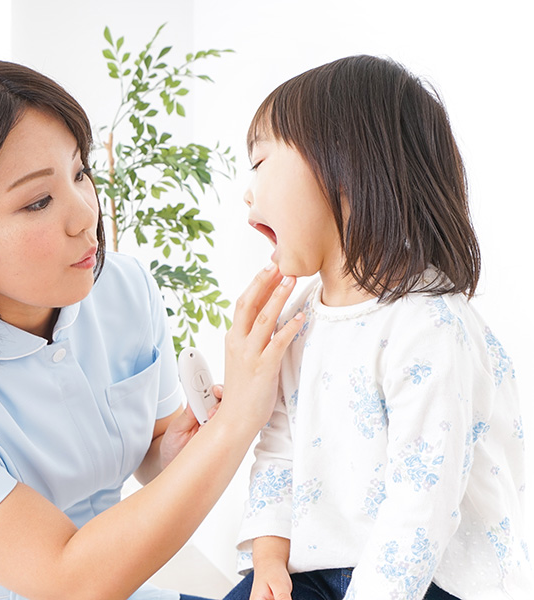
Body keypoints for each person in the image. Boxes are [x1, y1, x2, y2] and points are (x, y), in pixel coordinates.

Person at [0, 56, 303, 600]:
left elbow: (154, 448)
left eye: (80, 172)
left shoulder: (123, 288)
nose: (84, 214)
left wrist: (180, 449)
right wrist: (238, 421)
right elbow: (68, 580)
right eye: (38, 201)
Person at [228, 55, 533, 600]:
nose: (246, 193)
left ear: (340, 165)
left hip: (437, 573)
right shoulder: (301, 315)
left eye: (259, 163)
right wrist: (269, 559)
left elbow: (422, 503)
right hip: (322, 567)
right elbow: (278, 446)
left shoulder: (428, 324)